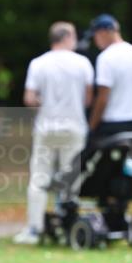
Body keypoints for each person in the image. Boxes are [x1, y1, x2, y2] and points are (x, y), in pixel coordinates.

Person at [13, 22, 94, 245]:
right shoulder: (83, 63)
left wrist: (45, 104)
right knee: (70, 179)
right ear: (67, 37)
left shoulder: (38, 63)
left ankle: (34, 228)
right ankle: (68, 225)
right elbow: (88, 98)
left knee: (39, 178)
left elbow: (29, 99)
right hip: (74, 127)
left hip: (46, 127)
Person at [88, 13, 132, 208]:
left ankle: (109, 213)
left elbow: (103, 97)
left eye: (96, 35)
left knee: (105, 171)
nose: (95, 40)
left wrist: (92, 126)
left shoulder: (106, 58)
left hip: (110, 124)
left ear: (106, 32)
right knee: (130, 171)